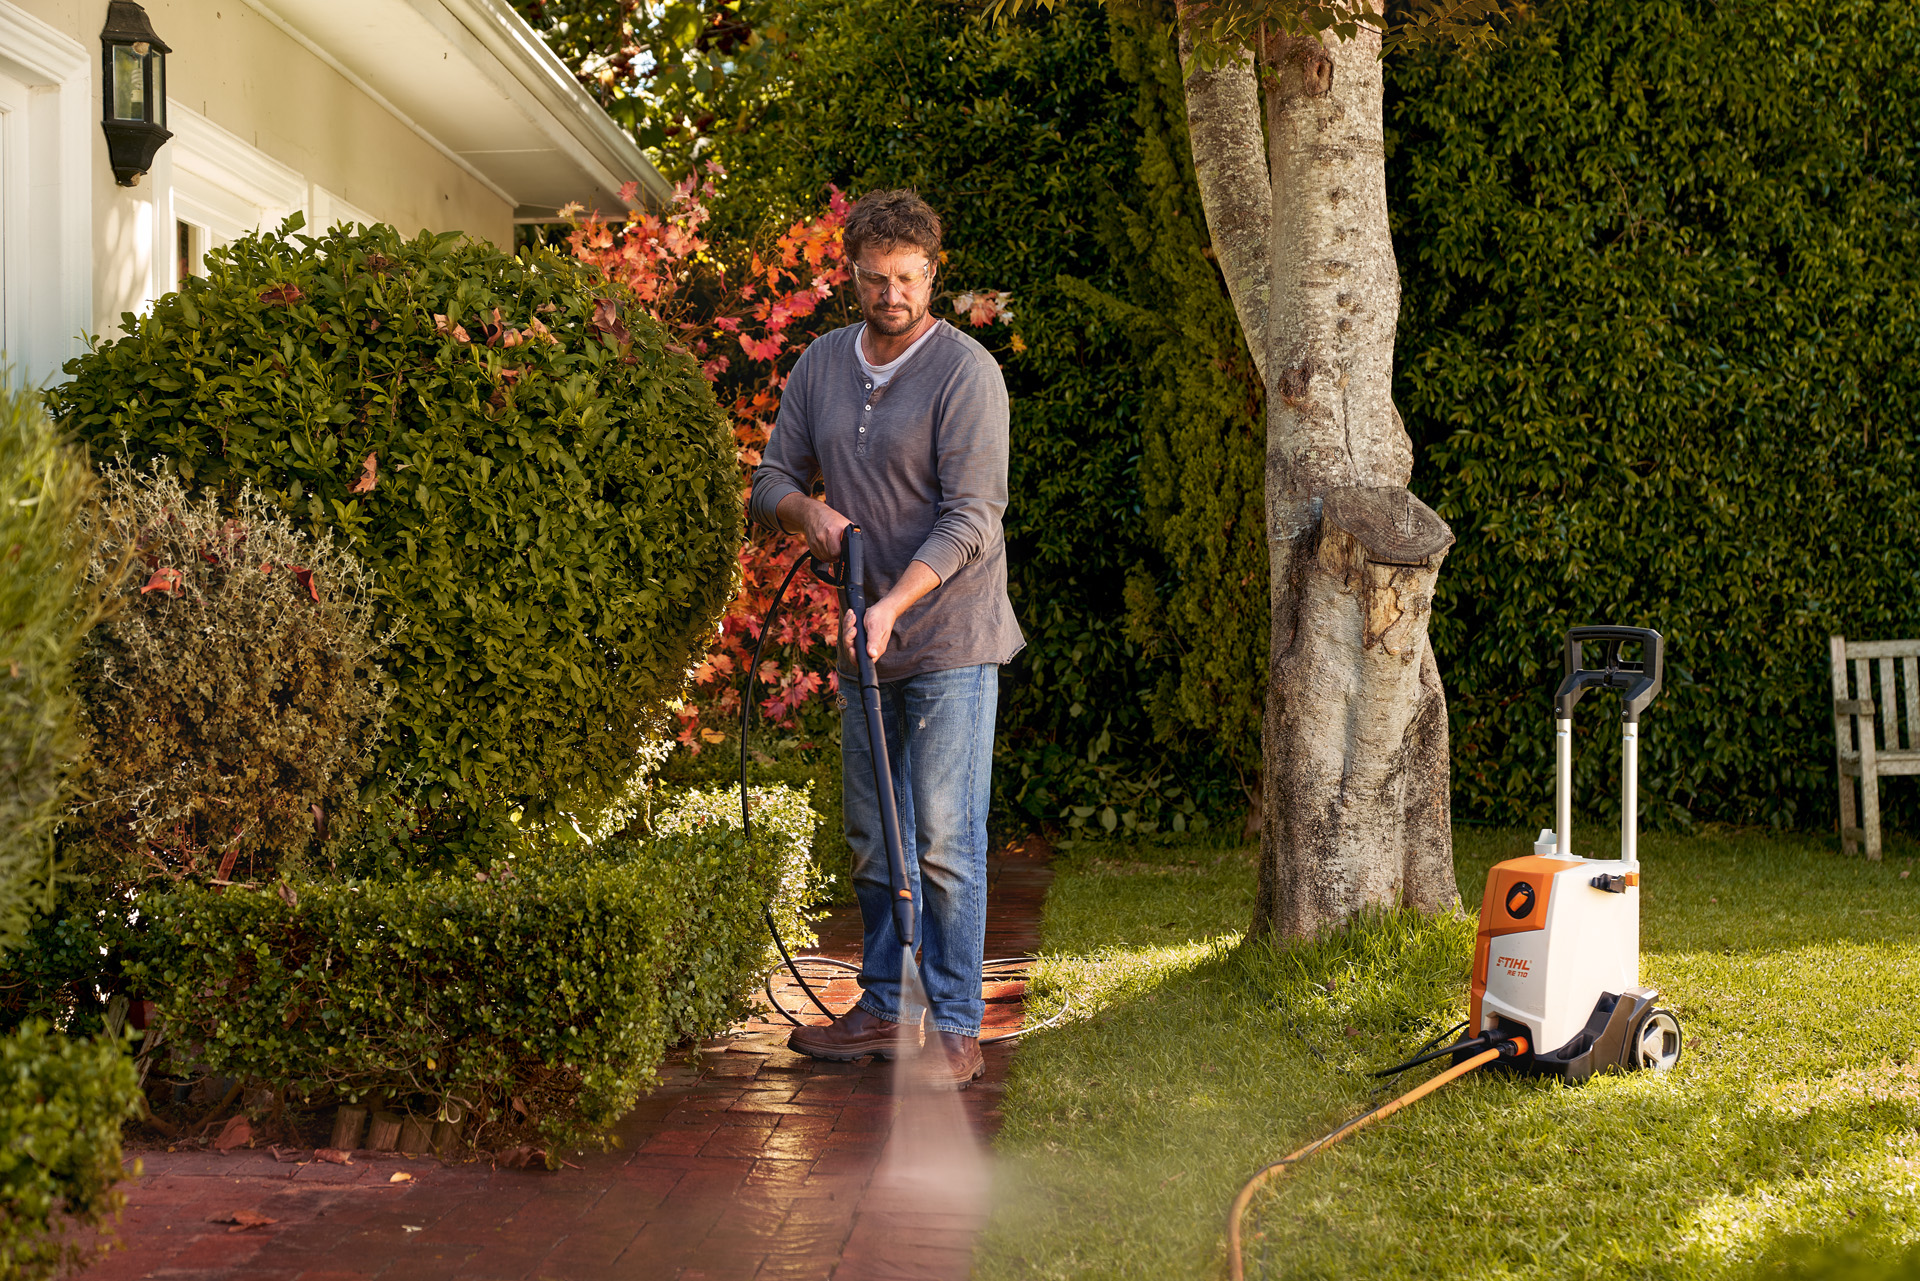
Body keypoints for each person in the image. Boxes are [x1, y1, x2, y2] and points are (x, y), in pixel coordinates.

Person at [747, 189, 1023, 1088]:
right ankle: (881, 1004)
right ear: (852, 277)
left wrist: (895, 601)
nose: (892, 295)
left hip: (948, 633)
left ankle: (952, 1021)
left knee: (944, 838)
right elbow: (771, 478)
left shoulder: (966, 373)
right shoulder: (822, 364)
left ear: (932, 275)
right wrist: (807, 512)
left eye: (908, 279)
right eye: (875, 279)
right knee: (874, 833)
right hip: (865, 639)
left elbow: (973, 518)